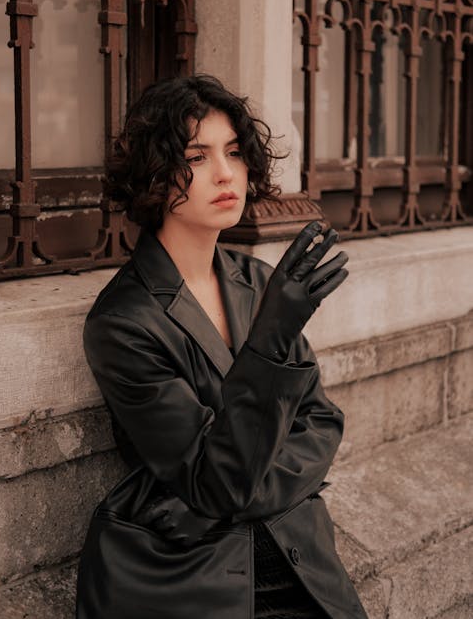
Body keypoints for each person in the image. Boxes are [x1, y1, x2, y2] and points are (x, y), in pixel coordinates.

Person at [76, 75, 368, 619]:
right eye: (198, 154)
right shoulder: (122, 322)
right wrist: (273, 335)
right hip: (192, 570)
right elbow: (218, 483)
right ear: (155, 173)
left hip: (298, 553)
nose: (226, 172)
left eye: (234, 151)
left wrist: (252, 492)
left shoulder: (257, 282)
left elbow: (322, 422)